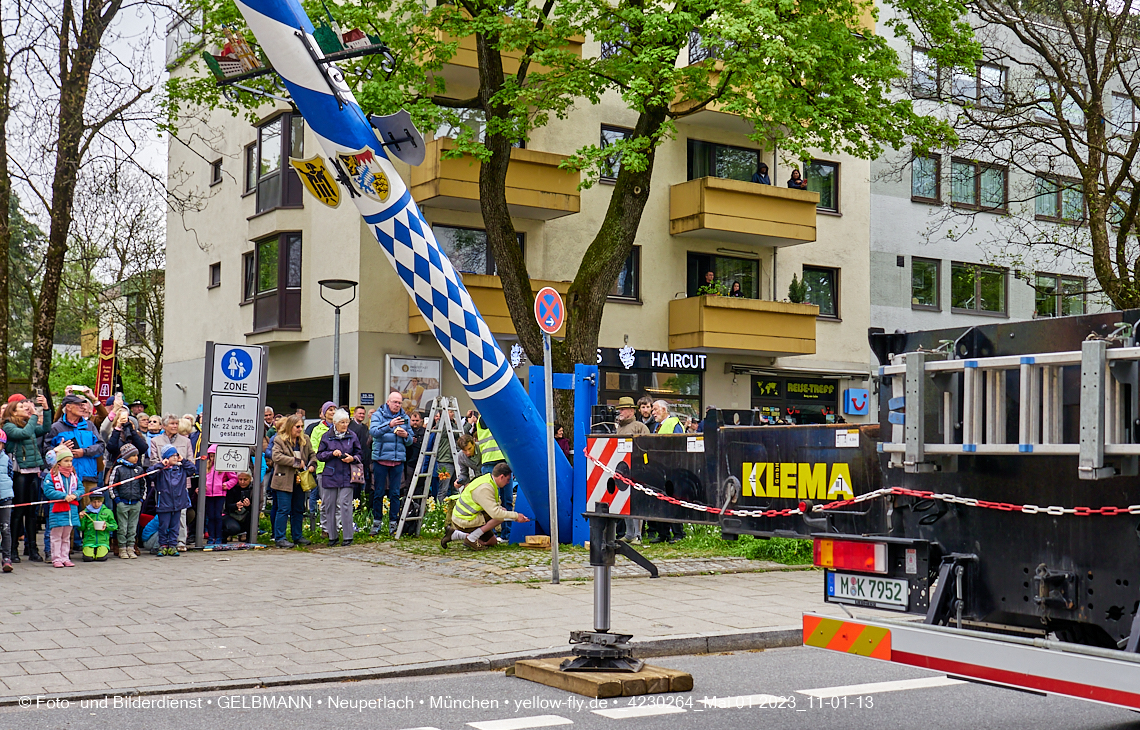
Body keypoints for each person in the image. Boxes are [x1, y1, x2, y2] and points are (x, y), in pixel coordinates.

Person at [3, 394, 50, 563]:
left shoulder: (26, 424)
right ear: (13, 412)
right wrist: (34, 415)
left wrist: (45, 408)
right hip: (20, 473)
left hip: (34, 471)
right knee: (19, 512)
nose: (26, 409)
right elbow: (24, 433)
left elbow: (44, 428)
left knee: (32, 512)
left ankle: (33, 549)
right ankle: (13, 550)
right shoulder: (8, 426)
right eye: (22, 408)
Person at [441, 463, 530, 551]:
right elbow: (496, 514)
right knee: (501, 515)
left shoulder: (488, 480)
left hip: (468, 516)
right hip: (464, 519)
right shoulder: (485, 488)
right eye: (507, 479)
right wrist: (516, 516)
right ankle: (471, 539)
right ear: (501, 477)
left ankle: (454, 534)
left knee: (492, 542)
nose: (508, 483)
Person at [47, 394, 106, 511]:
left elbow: (101, 446)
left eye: (83, 405)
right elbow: (46, 451)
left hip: (89, 477)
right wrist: (59, 448)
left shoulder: (90, 425)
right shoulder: (56, 427)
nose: (83, 407)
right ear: (68, 407)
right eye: (79, 405)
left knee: (90, 516)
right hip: (66, 479)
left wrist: (84, 452)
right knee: (68, 517)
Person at [369, 391, 413, 537]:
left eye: (399, 403)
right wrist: (389, 425)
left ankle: (393, 523)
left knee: (395, 493)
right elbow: (374, 432)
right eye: (395, 402)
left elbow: (411, 439)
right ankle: (377, 522)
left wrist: (405, 435)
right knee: (378, 492)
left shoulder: (405, 417)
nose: (397, 405)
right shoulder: (378, 415)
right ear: (388, 402)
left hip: (397, 460)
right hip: (380, 459)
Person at [315, 409, 361, 546]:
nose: (345, 425)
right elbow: (319, 455)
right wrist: (331, 454)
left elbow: (360, 454)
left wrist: (353, 458)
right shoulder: (326, 436)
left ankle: (348, 537)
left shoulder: (352, 436)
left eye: (347, 422)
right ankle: (332, 536)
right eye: (342, 422)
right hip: (330, 474)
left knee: (346, 505)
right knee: (329, 506)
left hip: (347, 474)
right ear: (335, 423)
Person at [149, 414, 194, 551]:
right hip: (163, 484)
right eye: (172, 424)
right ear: (164, 426)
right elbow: (153, 461)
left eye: (176, 423)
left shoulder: (185, 441)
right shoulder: (156, 441)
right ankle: (163, 543)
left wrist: (181, 462)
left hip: (181, 483)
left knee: (181, 515)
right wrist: (164, 464)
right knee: (164, 517)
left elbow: (191, 461)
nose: (175, 426)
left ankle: (180, 541)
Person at [270, 414, 316, 548]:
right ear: (290, 427)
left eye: (302, 426)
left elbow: (312, 454)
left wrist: (312, 463)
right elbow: (276, 456)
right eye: (297, 427)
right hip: (283, 479)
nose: (300, 429)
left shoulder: (305, 439)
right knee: (283, 509)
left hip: (300, 480)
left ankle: (297, 536)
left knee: (298, 509)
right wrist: (296, 462)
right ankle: (280, 538)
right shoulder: (279, 440)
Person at [649, 401, 685, 543]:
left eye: (656, 409)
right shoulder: (658, 426)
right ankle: (663, 533)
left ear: (664, 409)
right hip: (659, 469)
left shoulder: (674, 424)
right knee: (660, 501)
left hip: (672, 469)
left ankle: (678, 533)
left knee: (673, 500)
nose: (653, 412)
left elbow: (678, 445)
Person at [474, 415, 515, 541]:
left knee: (507, 500)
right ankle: (491, 535)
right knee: (490, 502)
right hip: (490, 463)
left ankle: (506, 535)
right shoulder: (484, 416)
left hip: (502, 461)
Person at [614, 397, 649, 543]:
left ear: (631, 411)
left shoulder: (639, 427)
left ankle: (637, 535)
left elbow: (647, 448)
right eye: (620, 409)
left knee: (635, 503)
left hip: (636, 469)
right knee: (624, 501)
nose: (620, 412)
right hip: (623, 469)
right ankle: (629, 534)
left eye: (623, 409)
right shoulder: (619, 428)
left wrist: (645, 466)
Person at [42, 446, 82, 567]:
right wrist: (64, 496)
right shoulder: (52, 476)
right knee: (56, 536)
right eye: (66, 461)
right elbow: (48, 491)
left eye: (70, 460)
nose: (69, 463)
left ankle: (65, 557)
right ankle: (56, 558)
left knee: (66, 536)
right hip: (58, 510)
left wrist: (75, 495)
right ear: (59, 462)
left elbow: (81, 488)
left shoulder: (73, 475)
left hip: (71, 511)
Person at [154, 444, 196, 557]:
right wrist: (160, 465)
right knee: (163, 526)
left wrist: (184, 460)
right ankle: (163, 545)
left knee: (175, 525)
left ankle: (173, 545)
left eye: (176, 455)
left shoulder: (181, 469)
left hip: (178, 503)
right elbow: (150, 473)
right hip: (164, 502)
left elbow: (193, 469)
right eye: (172, 456)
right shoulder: (161, 471)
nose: (175, 457)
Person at [109, 442, 147, 559]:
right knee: (122, 527)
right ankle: (122, 547)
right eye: (133, 455)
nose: (136, 458)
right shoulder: (118, 469)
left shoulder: (139, 469)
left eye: (137, 455)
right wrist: (117, 500)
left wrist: (141, 499)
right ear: (126, 456)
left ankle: (131, 547)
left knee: (132, 527)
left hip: (136, 502)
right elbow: (112, 485)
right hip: (122, 502)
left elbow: (143, 485)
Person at [203, 445, 238, 546]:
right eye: (211, 456)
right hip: (208, 494)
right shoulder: (206, 466)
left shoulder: (225, 466)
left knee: (218, 516)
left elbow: (234, 478)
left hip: (220, 494)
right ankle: (211, 537)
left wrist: (226, 485)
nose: (213, 458)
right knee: (210, 517)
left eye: (215, 456)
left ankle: (218, 537)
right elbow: (202, 478)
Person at [307, 401, 337, 521]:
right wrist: (329, 454)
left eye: (334, 409)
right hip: (323, 468)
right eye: (330, 410)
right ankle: (325, 526)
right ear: (324, 413)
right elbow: (314, 448)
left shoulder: (340, 427)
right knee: (325, 499)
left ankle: (336, 524)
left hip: (339, 467)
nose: (333, 412)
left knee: (338, 501)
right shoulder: (317, 429)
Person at [79, 493, 117, 562]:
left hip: (102, 541)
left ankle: (99, 550)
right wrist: (81, 519)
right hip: (89, 540)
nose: (96, 504)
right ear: (90, 502)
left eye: (99, 502)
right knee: (88, 558)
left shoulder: (108, 512)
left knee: (101, 558)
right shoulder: (86, 512)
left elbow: (114, 526)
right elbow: (81, 528)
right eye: (94, 502)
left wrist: (107, 526)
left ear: (102, 502)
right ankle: (91, 550)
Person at [348, 406, 372, 503]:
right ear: (354, 414)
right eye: (360, 413)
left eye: (363, 414)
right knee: (356, 488)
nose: (362, 415)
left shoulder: (365, 427)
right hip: (355, 462)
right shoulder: (351, 427)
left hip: (365, 461)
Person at [223, 471, 254, 541]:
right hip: (231, 515)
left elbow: (257, 508)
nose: (242, 482)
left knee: (252, 518)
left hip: (246, 516)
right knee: (233, 528)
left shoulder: (254, 489)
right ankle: (224, 535)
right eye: (240, 479)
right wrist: (235, 506)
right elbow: (227, 506)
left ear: (250, 479)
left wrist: (248, 506)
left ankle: (250, 539)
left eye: (245, 480)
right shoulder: (232, 488)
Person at [0, 430, 12, 572]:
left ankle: (7, 558)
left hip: (5, 497)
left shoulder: (7, 459)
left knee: (5, 528)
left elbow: (10, 476)